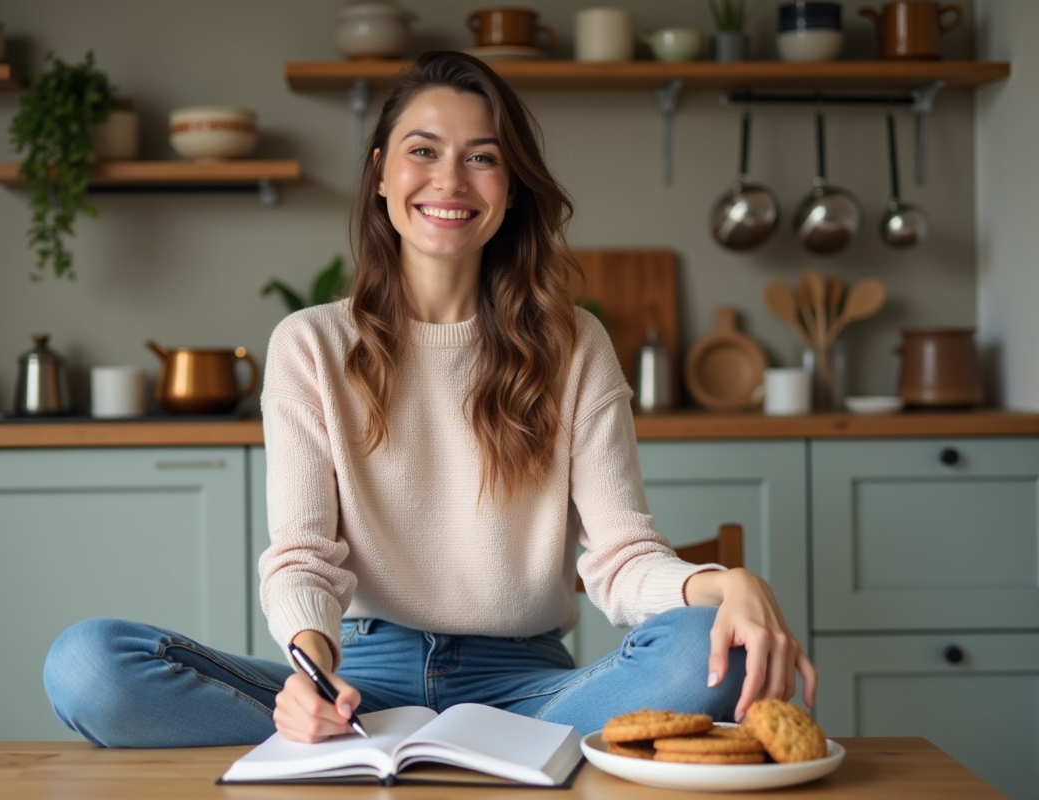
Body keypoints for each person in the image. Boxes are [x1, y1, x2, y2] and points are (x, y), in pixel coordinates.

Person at [43, 50, 815, 749]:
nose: (449, 181)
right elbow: (303, 557)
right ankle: (368, 739)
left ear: (511, 190)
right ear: (381, 173)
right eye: (423, 152)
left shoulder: (573, 344)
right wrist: (310, 679)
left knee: (707, 646)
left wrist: (725, 582)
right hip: (356, 682)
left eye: (481, 158)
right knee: (87, 665)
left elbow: (621, 558)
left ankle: (470, 744)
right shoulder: (310, 344)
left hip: (533, 690)